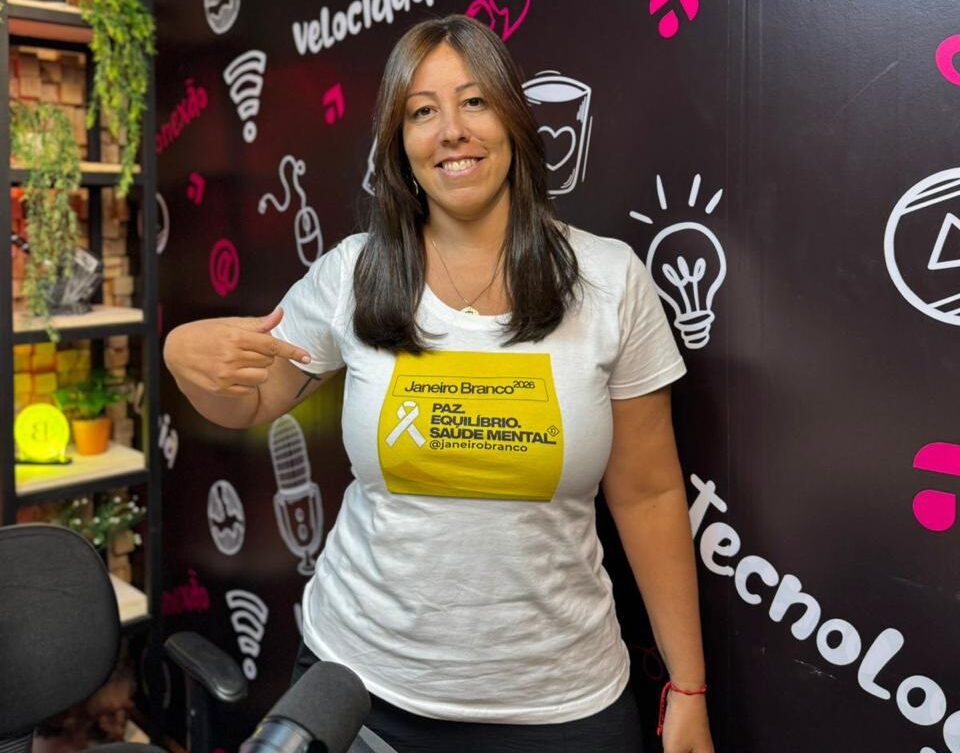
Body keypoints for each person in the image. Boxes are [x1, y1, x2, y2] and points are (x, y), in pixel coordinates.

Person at [164, 14, 714, 753]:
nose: (451, 130)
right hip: (360, 686)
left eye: (474, 101)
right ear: (399, 143)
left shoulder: (609, 279)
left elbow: (648, 493)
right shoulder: (353, 272)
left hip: (560, 704)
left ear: (514, 117)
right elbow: (251, 401)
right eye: (422, 111)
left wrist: (689, 685)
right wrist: (182, 354)